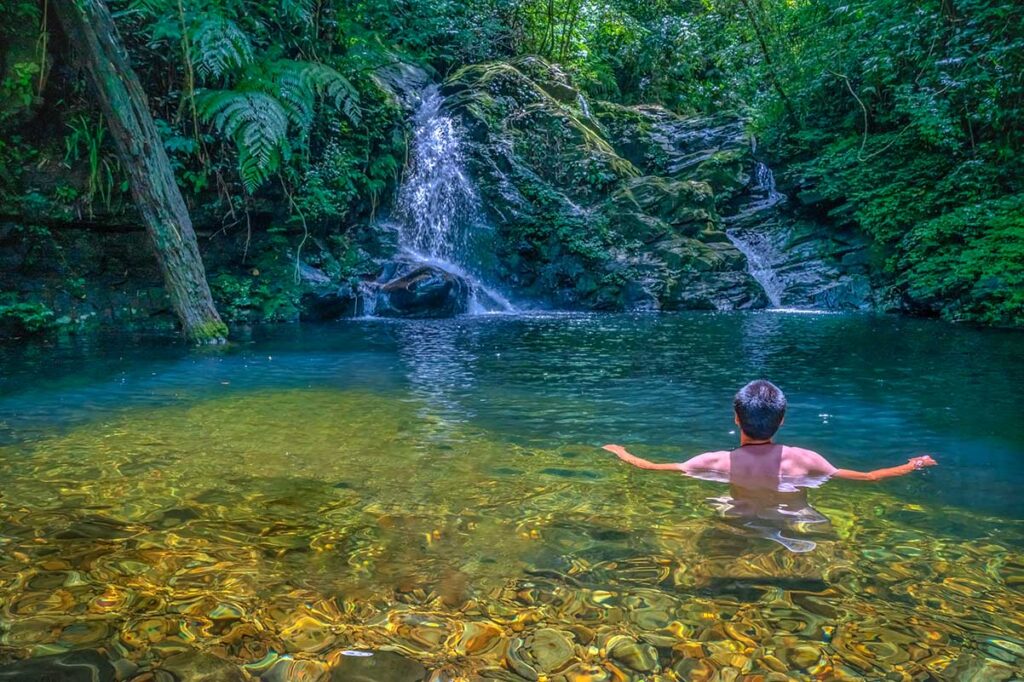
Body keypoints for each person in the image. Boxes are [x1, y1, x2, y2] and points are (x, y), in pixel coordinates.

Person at [603, 380, 937, 551]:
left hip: (737, 518)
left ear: (736, 419)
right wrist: (914, 464)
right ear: (782, 421)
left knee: (724, 507)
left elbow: (648, 467)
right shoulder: (805, 459)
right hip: (795, 521)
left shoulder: (717, 461)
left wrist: (620, 452)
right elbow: (869, 477)